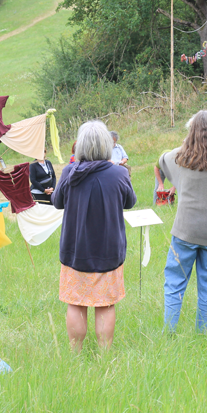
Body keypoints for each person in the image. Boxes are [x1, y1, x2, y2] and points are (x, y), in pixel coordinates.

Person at [53, 120, 137, 352]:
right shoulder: (119, 173)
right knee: (105, 305)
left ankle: (75, 353)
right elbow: (130, 201)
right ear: (106, 144)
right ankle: (104, 355)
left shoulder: (70, 172)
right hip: (109, 252)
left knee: (76, 303)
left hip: (75, 250)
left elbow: (56, 202)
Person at [159, 111, 207, 332]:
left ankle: (170, 332)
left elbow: (163, 158)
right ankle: (205, 334)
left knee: (174, 284)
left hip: (185, 230)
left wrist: (186, 144)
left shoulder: (181, 157)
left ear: (191, 131)